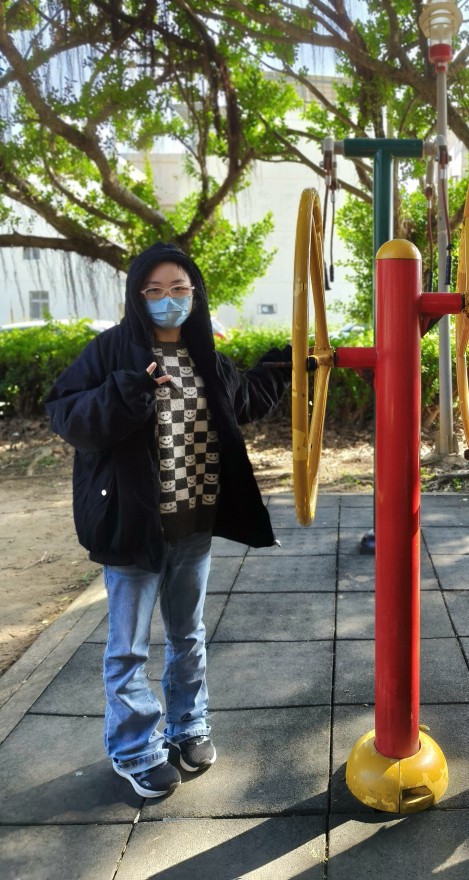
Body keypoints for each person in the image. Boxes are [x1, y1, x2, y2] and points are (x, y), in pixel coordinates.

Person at [46, 242, 291, 799]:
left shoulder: (205, 356)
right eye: (154, 290)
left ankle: (188, 724)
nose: (168, 300)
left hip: (193, 521)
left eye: (179, 289)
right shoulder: (111, 351)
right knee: (128, 648)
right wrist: (127, 391)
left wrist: (283, 364)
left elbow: (245, 401)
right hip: (133, 523)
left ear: (196, 295)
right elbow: (67, 414)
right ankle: (135, 748)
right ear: (138, 296)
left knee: (188, 634)